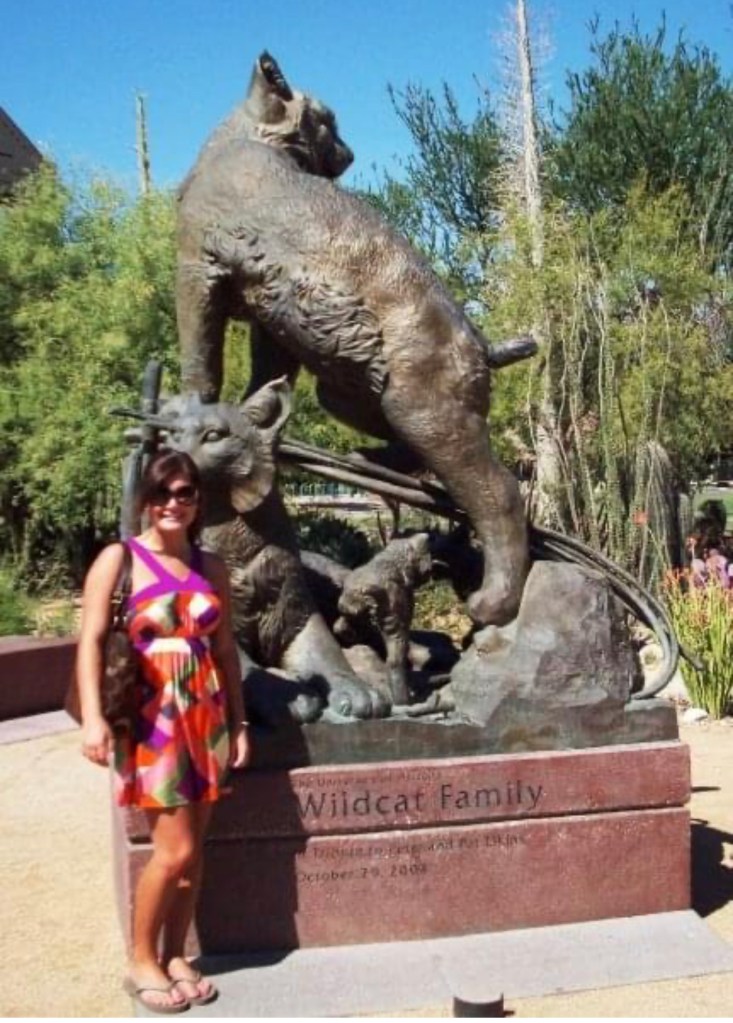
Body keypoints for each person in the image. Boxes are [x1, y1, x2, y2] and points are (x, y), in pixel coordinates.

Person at [76, 450, 250, 1014]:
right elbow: (92, 643)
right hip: (151, 719)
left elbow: (225, 652)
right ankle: (141, 961)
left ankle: (176, 954)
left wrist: (239, 723)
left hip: (205, 714)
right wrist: (97, 721)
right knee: (171, 850)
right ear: (145, 501)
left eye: (185, 493)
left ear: (199, 501)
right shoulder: (118, 559)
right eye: (162, 494)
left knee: (193, 850)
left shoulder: (211, 566)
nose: (173, 503)